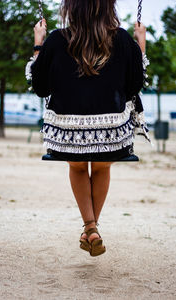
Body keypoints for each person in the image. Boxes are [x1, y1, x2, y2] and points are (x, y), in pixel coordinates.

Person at [26, 0, 149, 256]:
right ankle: (91, 228)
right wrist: (140, 44)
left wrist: (38, 43)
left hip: (67, 135)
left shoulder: (57, 40)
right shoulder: (123, 39)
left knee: (78, 166)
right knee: (102, 166)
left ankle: (90, 227)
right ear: (108, 8)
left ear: (71, 8)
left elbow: (40, 88)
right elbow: (135, 84)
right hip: (112, 133)